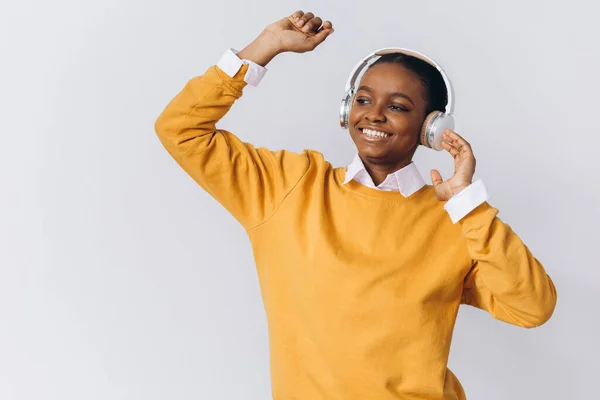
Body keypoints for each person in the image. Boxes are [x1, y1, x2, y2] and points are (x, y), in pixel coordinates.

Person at [154, 10, 557, 400]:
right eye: (363, 100)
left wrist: (471, 206)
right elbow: (180, 130)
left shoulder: (456, 220)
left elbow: (532, 308)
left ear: (431, 129)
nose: (375, 115)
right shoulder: (288, 186)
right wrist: (265, 47)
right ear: (347, 110)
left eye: (398, 106)